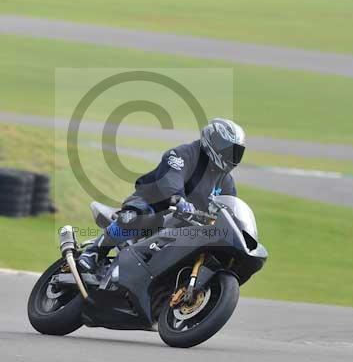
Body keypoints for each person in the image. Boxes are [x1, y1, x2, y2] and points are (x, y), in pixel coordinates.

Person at [77, 117, 246, 273]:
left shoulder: (225, 181)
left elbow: (229, 208)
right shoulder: (183, 154)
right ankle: (94, 253)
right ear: (213, 142)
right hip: (153, 203)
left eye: (236, 152)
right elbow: (170, 180)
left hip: (187, 224)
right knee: (139, 215)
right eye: (228, 149)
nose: (232, 156)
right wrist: (179, 199)